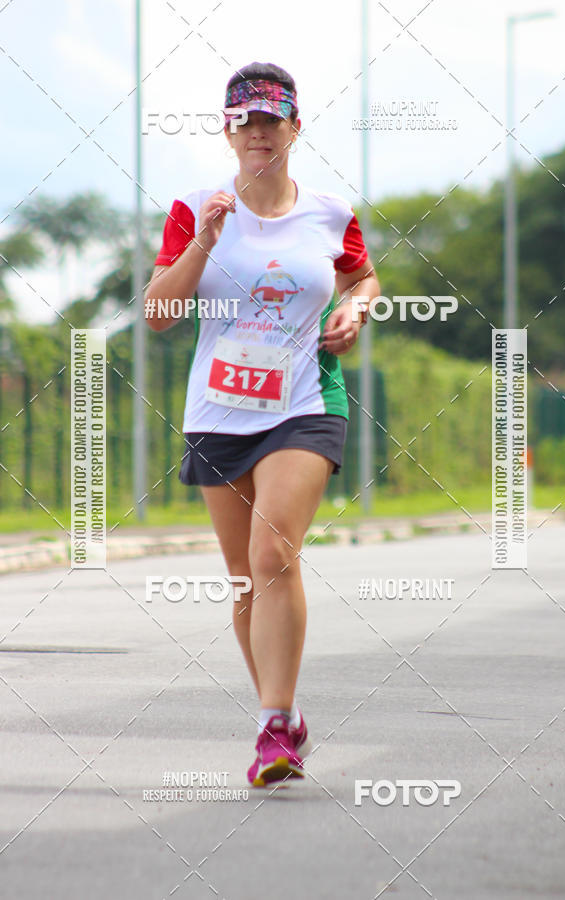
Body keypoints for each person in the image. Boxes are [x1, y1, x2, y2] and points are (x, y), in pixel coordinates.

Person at [145, 61, 380, 786]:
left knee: (275, 550)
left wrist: (358, 308)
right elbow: (158, 315)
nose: (258, 133)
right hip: (220, 412)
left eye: (271, 120)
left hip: (306, 403)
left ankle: (273, 728)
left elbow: (362, 274)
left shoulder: (333, 212)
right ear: (227, 130)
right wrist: (206, 242)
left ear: (294, 128)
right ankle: (285, 718)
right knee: (247, 578)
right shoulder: (194, 208)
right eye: (245, 121)